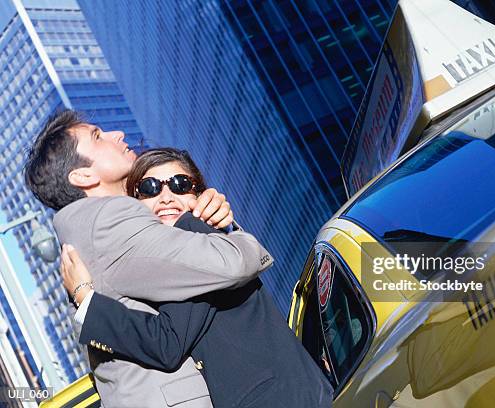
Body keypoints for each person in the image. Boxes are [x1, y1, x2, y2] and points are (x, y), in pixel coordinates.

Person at [25, 110, 273, 408]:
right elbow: (231, 264)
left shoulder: (87, 230)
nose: (117, 135)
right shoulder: (108, 221)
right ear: (83, 176)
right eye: (98, 136)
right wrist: (229, 234)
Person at [61, 148, 333, 407]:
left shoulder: (194, 238)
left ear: (201, 195)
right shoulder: (175, 253)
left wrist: (86, 300)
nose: (166, 197)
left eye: (180, 184)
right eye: (150, 188)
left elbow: (166, 344)